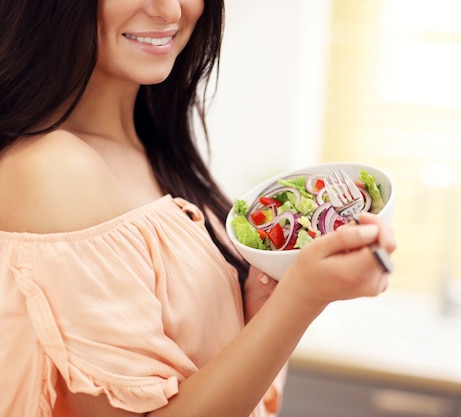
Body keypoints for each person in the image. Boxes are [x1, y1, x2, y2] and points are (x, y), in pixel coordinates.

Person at [0, 0, 396, 416]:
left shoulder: (154, 150)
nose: (170, 10)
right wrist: (302, 299)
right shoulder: (51, 169)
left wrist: (258, 311)